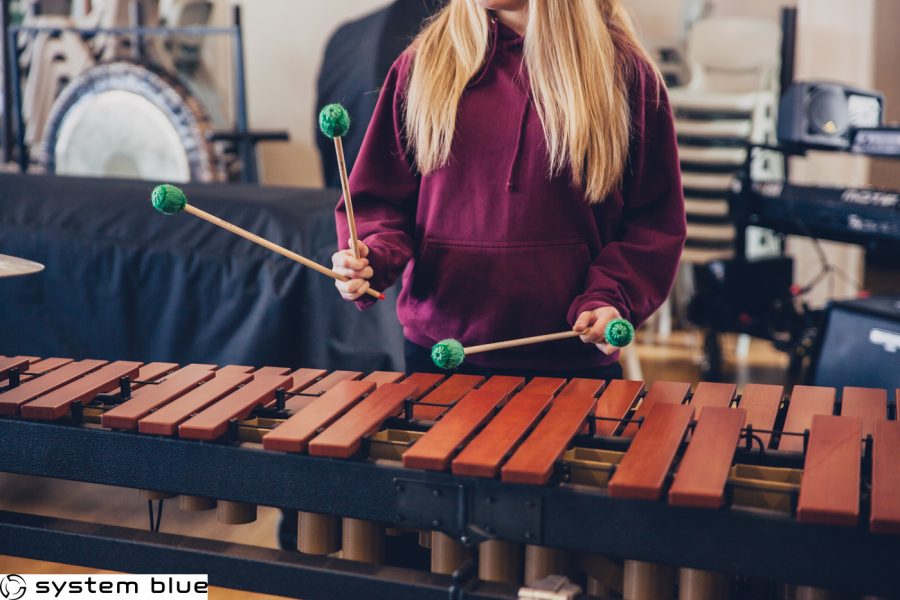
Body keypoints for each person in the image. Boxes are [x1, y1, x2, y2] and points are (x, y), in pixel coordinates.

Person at [332, 0, 686, 380]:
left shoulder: (624, 73)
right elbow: (381, 202)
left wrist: (611, 295)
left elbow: (653, 224)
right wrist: (372, 255)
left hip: (572, 359)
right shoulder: (424, 65)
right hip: (440, 354)